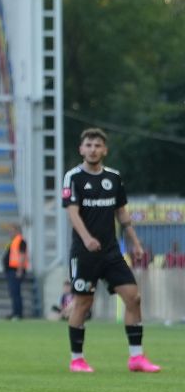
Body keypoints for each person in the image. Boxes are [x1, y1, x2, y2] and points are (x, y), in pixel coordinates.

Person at [62, 127, 160, 373]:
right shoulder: (73, 177)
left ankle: (136, 358)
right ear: (81, 149)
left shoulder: (114, 178)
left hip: (111, 252)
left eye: (97, 145)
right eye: (89, 145)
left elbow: (122, 213)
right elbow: (72, 213)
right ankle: (77, 359)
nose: (93, 149)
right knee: (83, 303)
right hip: (84, 253)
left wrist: (135, 243)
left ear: (105, 150)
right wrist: (86, 239)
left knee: (133, 297)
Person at [2, 223, 29, 319]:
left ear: (17, 231)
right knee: (13, 292)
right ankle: (15, 312)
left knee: (16, 292)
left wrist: (19, 270)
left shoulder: (21, 241)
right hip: (11, 271)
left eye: (11, 230)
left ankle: (18, 313)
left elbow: (22, 256)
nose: (10, 233)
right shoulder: (13, 241)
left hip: (16, 270)